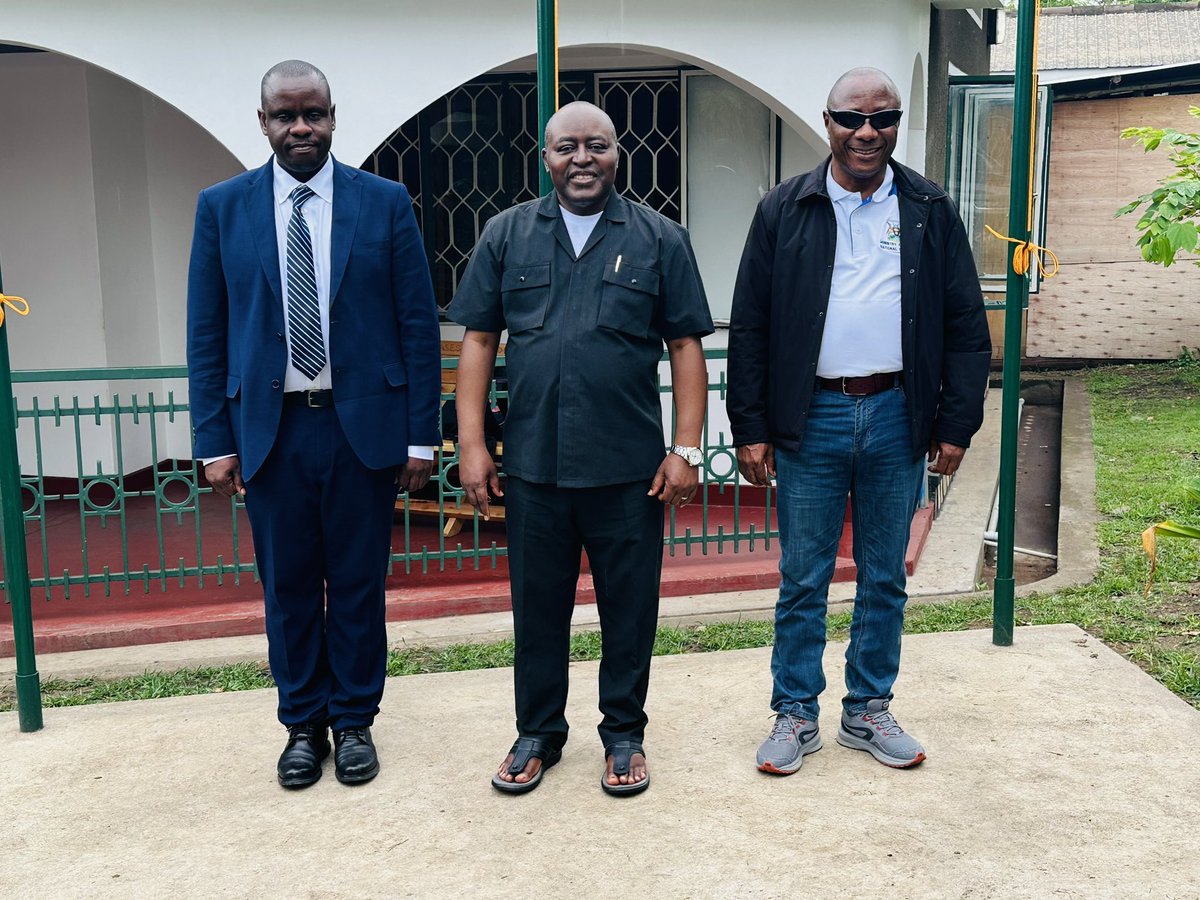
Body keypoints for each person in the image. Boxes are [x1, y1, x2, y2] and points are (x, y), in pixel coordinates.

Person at [727, 67, 991, 774]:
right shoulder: (785, 208)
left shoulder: (929, 207)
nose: (867, 132)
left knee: (884, 575)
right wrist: (749, 425)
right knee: (804, 574)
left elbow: (966, 325)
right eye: (852, 119)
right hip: (810, 417)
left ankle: (868, 710)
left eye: (883, 119)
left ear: (897, 124)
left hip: (899, 413)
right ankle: (794, 713)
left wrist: (956, 426)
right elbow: (750, 324)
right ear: (828, 122)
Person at [186, 60, 441, 789]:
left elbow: (417, 326)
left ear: (335, 116)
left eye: (314, 113)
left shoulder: (385, 203)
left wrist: (420, 436)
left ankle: (355, 721)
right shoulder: (222, 207)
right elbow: (207, 330)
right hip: (270, 431)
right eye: (285, 115)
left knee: (359, 584)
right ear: (261, 122)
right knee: (289, 586)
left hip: (363, 429)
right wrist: (215, 438)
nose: (302, 127)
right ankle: (303, 726)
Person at [448, 101, 713, 797]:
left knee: (630, 611)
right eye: (568, 147)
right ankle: (537, 732)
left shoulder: (661, 239)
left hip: (629, 472)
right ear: (546, 157)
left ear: (617, 154)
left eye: (597, 145)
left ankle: (624, 734)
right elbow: (478, 339)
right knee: (538, 612)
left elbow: (686, 345)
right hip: (532, 469)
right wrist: (472, 446)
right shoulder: (506, 235)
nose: (583, 158)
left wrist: (686, 448)